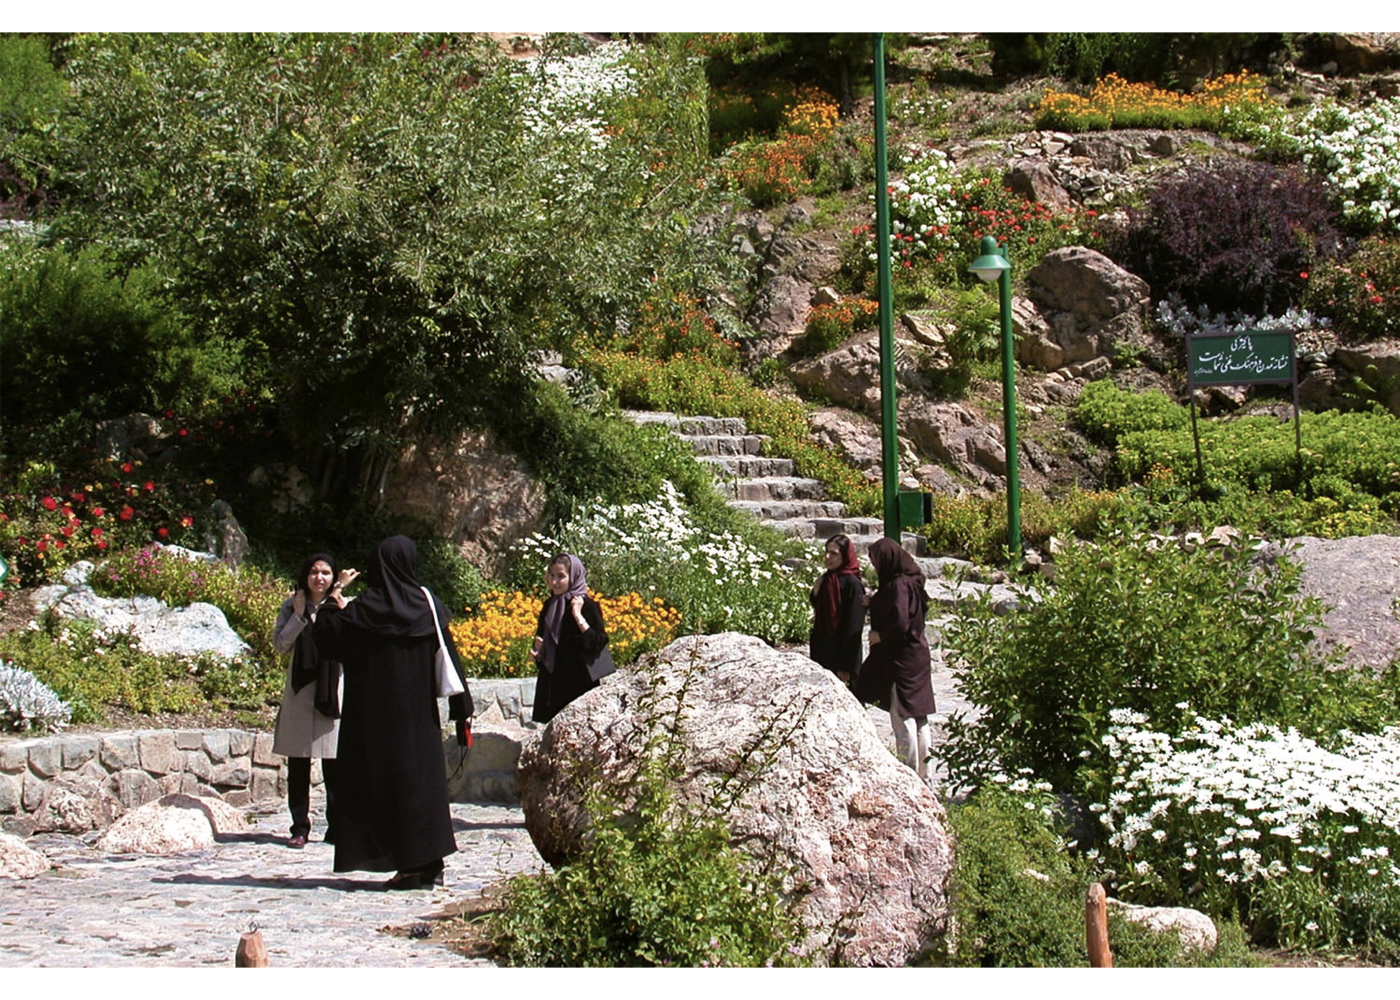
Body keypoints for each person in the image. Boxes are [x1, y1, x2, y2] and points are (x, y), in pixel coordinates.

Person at [312, 535, 472, 890]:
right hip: (420, 719)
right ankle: (430, 862)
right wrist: (462, 709)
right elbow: (450, 654)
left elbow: (326, 638)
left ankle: (410, 866)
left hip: (376, 721)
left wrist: (331, 600)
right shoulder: (427, 605)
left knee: (387, 787)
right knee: (422, 787)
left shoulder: (366, 609)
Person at [271, 552, 358, 848]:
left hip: (331, 689)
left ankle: (337, 826)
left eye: (325, 572)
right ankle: (299, 827)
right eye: (313, 572)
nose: (318, 578)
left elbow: (352, 646)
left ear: (333, 577)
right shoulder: (291, 605)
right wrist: (298, 616)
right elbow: (281, 645)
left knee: (334, 765)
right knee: (298, 763)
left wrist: (340, 606)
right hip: (301, 691)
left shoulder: (343, 605)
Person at [853, 538, 937, 783]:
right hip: (917, 654)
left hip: (902, 660)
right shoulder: (910, 581)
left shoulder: (899, 586)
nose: (875, 566)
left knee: (902, 714)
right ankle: (926, 773)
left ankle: (908, 772)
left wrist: (880, 636)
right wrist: (875, 601)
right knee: (919, 716)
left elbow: (900, 623)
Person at [530, 553, 609, 725]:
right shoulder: (549, 605)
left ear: (573, 576)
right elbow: (543, 640)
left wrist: (578, 616)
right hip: (553, 684)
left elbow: (597, 642)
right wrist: (538, 653)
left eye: (561, 576)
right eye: (552, 575)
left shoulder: (586, 605)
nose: (555, 582)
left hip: (579, 684)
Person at [808, 534, 867, 686]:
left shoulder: (852, 584)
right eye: (826, 552)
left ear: (845, 556)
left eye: (833, 553)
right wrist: (815, 592)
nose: (827, 557)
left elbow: (854, 624)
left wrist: (846, 666)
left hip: (843, 654)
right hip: (824, 649)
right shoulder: (827, 579)